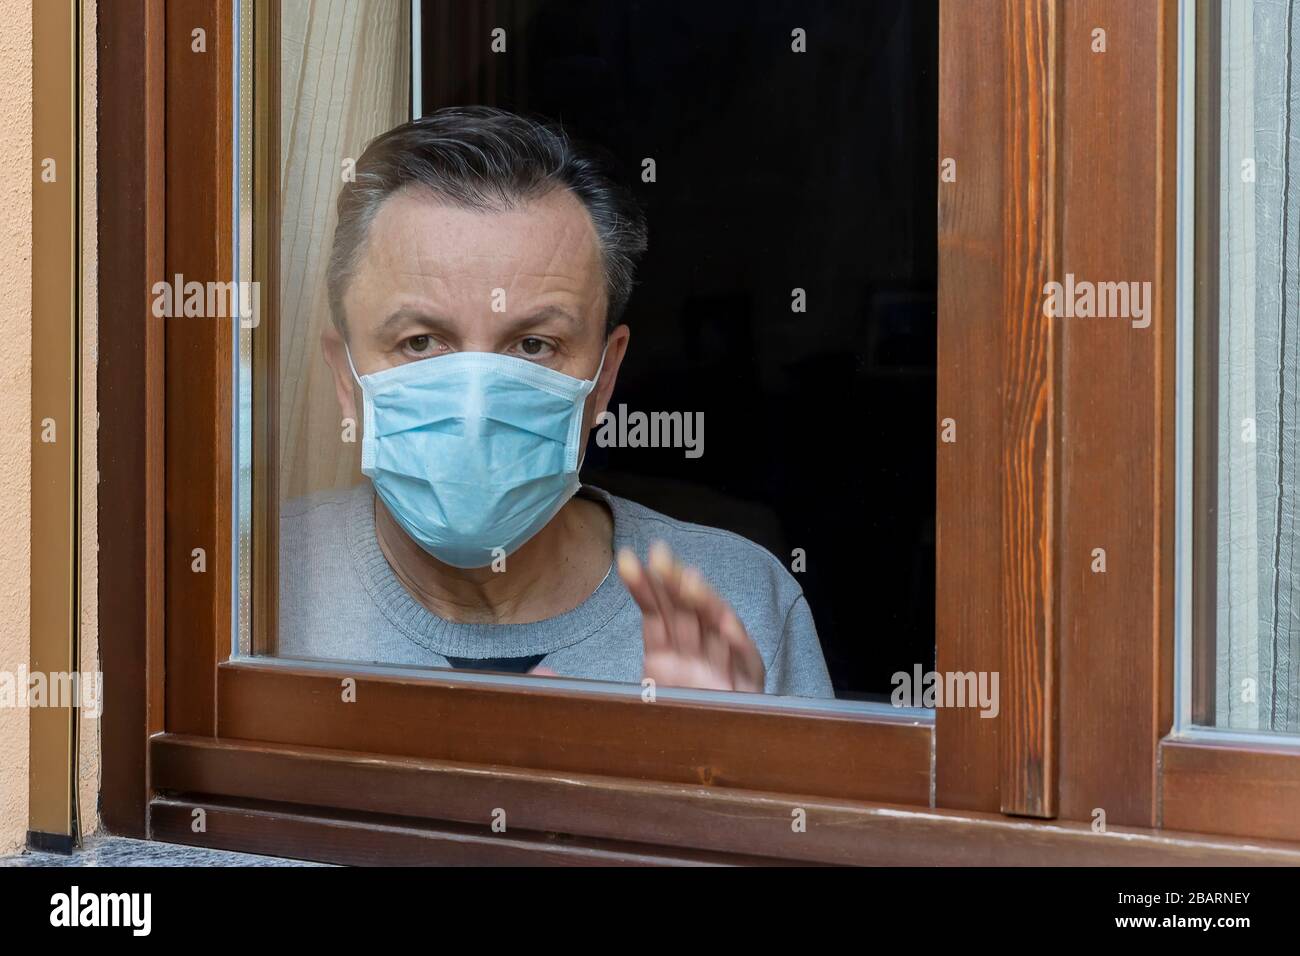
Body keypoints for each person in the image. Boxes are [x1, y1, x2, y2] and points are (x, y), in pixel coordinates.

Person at [277, 106, 834, 698]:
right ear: (345, 375)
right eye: (420, 342)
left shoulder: (737, 610)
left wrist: (711, 770)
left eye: (534, 344)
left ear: (605, 375)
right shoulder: (251, 597)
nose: (475, 405)